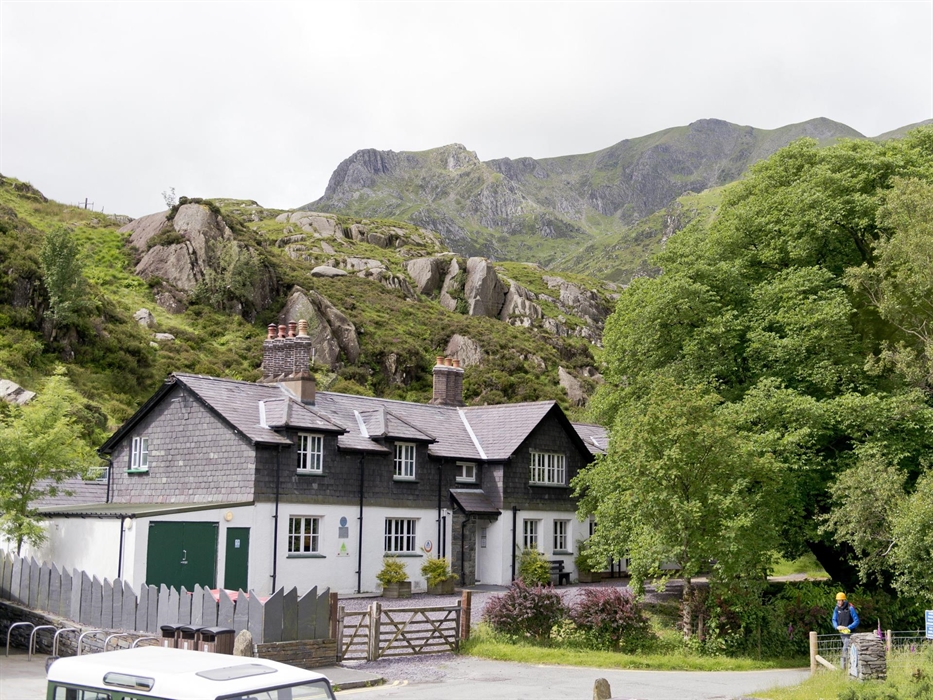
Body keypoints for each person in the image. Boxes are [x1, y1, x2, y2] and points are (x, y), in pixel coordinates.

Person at [831, 592, 859, 668]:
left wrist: (848, 627)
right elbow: (834, 619)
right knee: (848, 648)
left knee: (845, 648)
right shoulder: (836, 608)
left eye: (840, 600)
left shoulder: (850, 608)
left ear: (843, 600)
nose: (838, 602)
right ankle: (850, 666)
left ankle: (843, 667)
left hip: (851, 633)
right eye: (837, 600)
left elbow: (856, 621)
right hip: (842, 633)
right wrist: (836, 627)